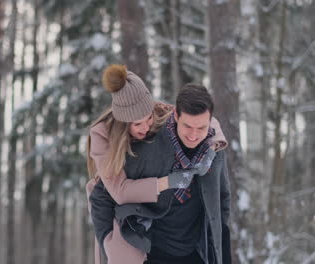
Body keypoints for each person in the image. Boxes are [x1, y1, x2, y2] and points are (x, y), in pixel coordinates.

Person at [85, 64, 229, 264]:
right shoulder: (103, 135)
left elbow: (199, 117)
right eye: (137, 124)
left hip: (158, 221)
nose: (146, 127)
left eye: (149, 118)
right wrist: (168, 182)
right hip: (113, 203)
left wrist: (213, 147)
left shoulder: (158, 114)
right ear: (123, 123)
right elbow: (119, 192)